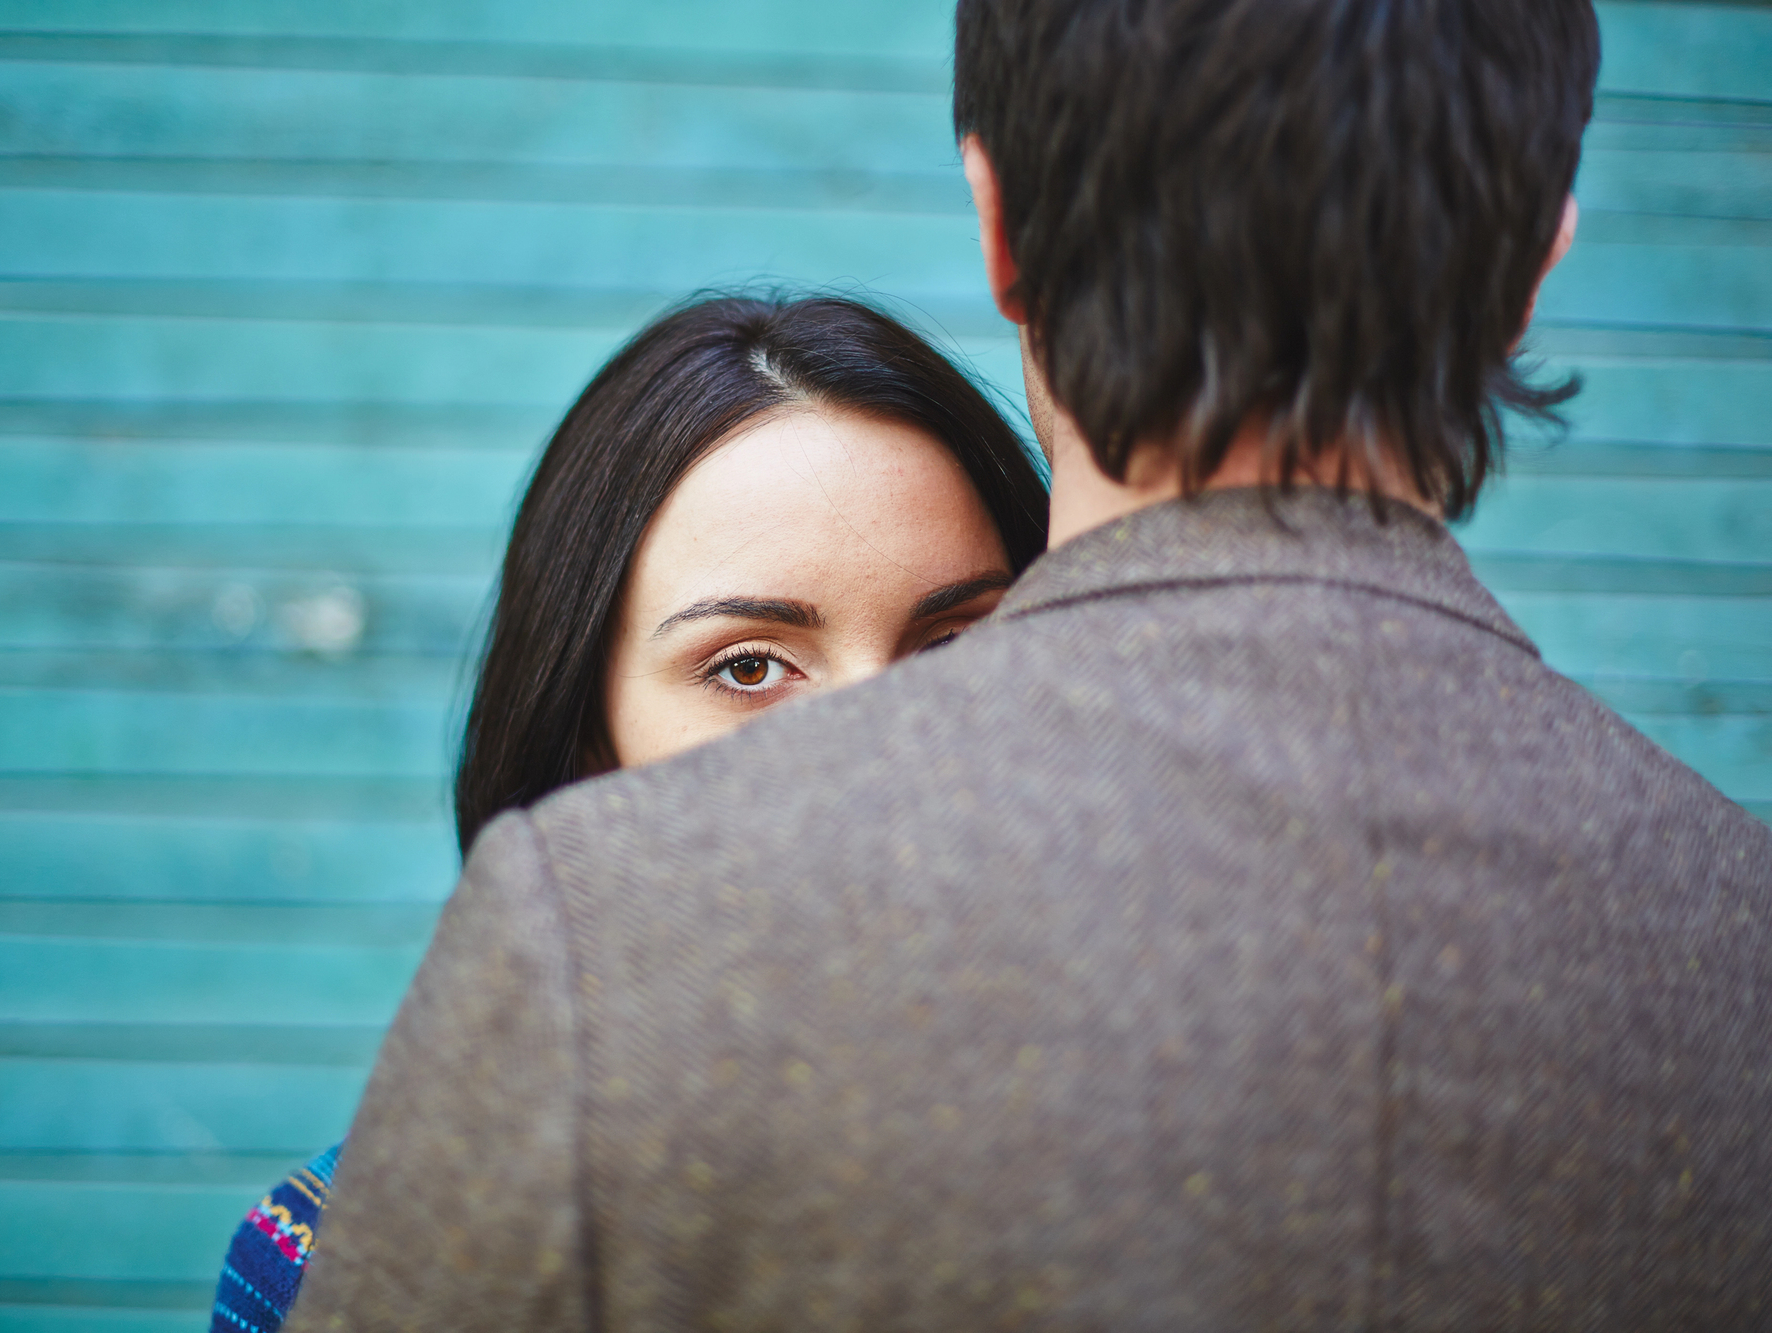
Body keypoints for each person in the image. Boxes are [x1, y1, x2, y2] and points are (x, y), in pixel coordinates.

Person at [291, 0, 1772, 1326]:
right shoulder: (1738, 946)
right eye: (750, 663)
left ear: (998, 224)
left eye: (950, 631)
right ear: (1535, 263)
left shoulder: (608, 942)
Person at [209, 294, 1049, 1333]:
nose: (875, 747)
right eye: (748, 667)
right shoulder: (334, 1255)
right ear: (587, 736)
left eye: (954, 645)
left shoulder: (1174, 1173)